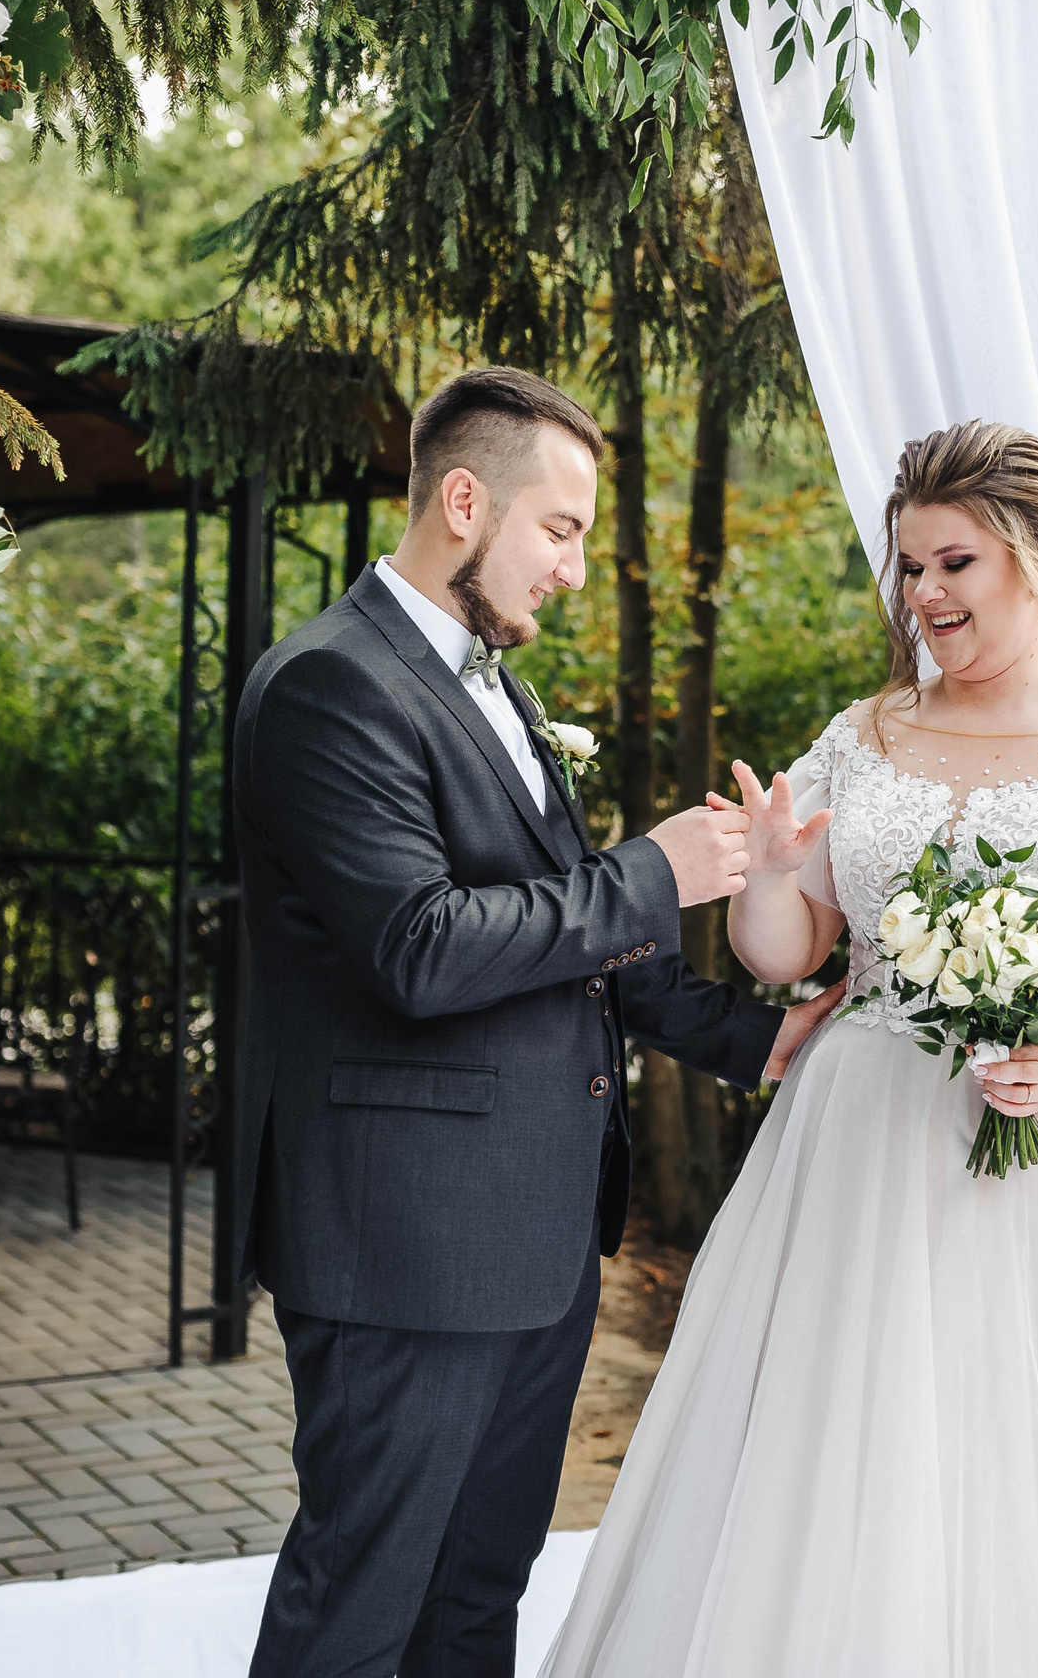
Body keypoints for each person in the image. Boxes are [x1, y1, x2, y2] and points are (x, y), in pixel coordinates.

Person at [538, 421, 1038, 1678]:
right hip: (862, 1146)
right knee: (841, 1445)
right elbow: (783, 956)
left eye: (953, 563)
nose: (923, 595)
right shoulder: (863, 737)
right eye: (910, 568)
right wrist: (771, 869)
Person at [230, 366, 842, 1678]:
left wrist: (753, 1038)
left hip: (537, 1236)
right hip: (405, 1242)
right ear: (465, 501)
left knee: (476, 1594)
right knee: (360, 1601)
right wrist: (653, 871)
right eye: (560, 529)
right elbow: (421, 948)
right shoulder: (329, 685)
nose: (572, 568)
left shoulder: (494, 688)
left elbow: (569, 946)